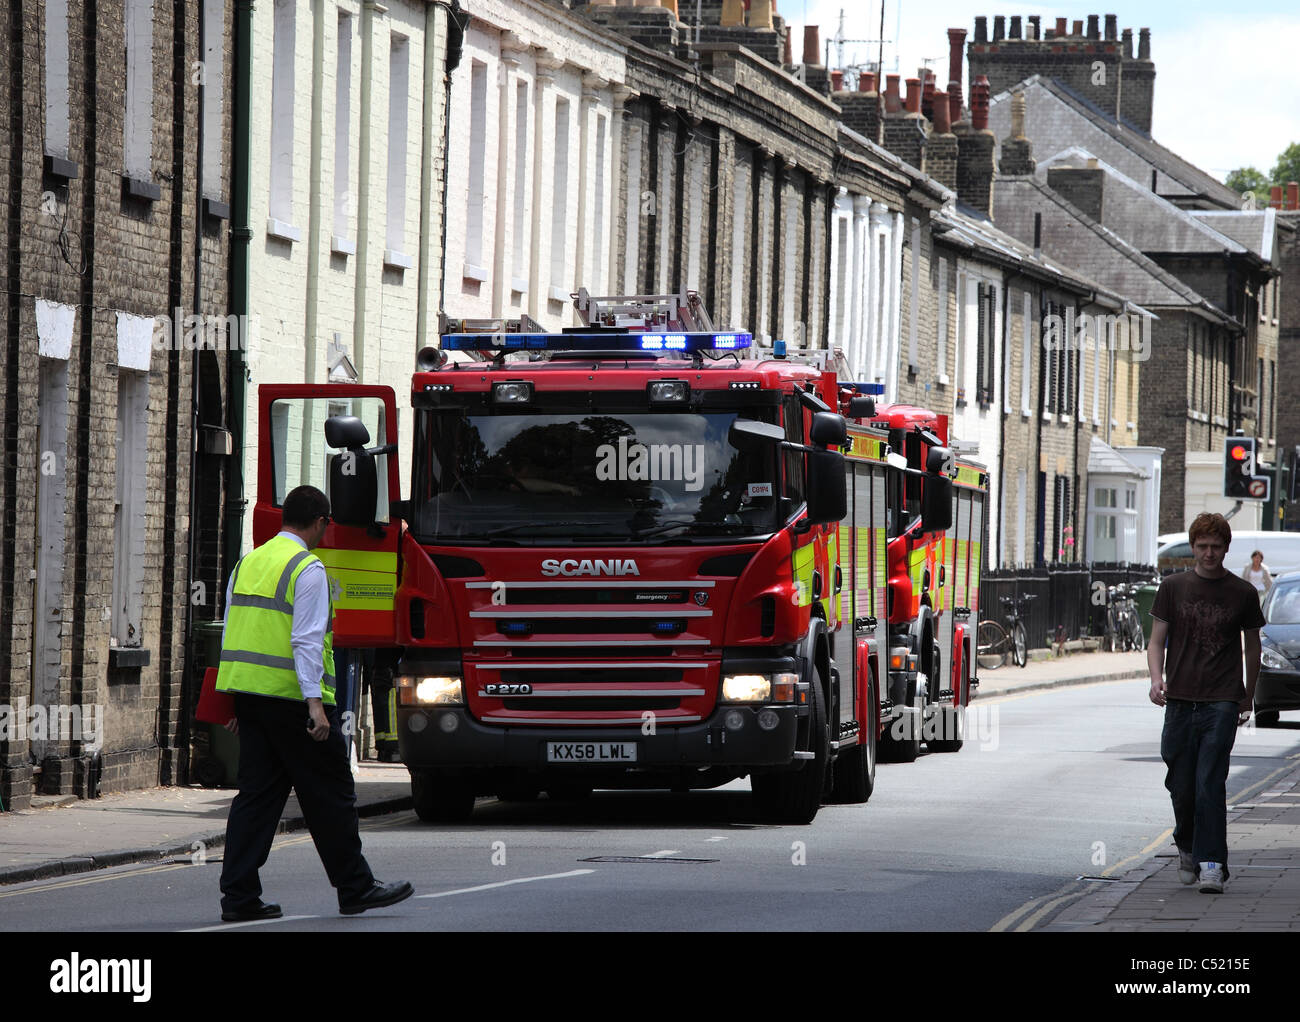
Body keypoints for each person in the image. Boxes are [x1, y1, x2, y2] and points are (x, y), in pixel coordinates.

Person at [215, 485, 413, 921]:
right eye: (328, 525)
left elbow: (232, 630)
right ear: (321, 521)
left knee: (256, 798)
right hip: (293, 703)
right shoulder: (307, 568)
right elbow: (305, 641)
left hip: (250, 697)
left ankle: (239, 898)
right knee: (333, 794)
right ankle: (356, 888)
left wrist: (230, 700)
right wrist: (315, 706)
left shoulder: (248, 562)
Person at [1147, 512, 1262, 895]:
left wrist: (1247, 694)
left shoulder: (1243, 593)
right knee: (1181, 785)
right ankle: (1187, 844)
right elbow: (1157, 640)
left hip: (1222, 701)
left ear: (1226, 548)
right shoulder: (1173, 587)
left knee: (1210, 783)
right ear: (1193, 548)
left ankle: (1212, 864)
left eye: (1216, 547)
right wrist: (1156, 679)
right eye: (1202, 546)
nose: (1209, 553)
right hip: (1179, 700)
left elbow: (1252, 646)